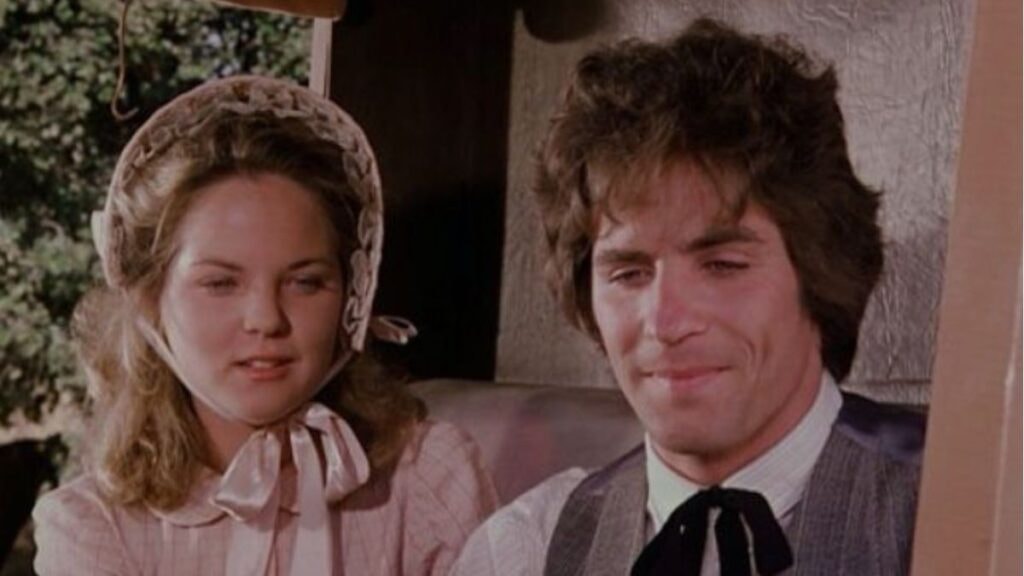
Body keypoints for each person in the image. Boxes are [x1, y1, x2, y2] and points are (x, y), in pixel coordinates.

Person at [452, 18, 926, 576]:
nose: (666, 322)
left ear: (820, 276)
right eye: (629, 273)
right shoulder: (527, 549)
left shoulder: (957, 514)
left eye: (722, 265)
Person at [32, 76, 497, 576]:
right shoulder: (93, 526)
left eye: (305, 282)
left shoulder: (428, 478)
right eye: (220, 284)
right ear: (149, 301)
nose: (266, 319)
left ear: (352, 298)